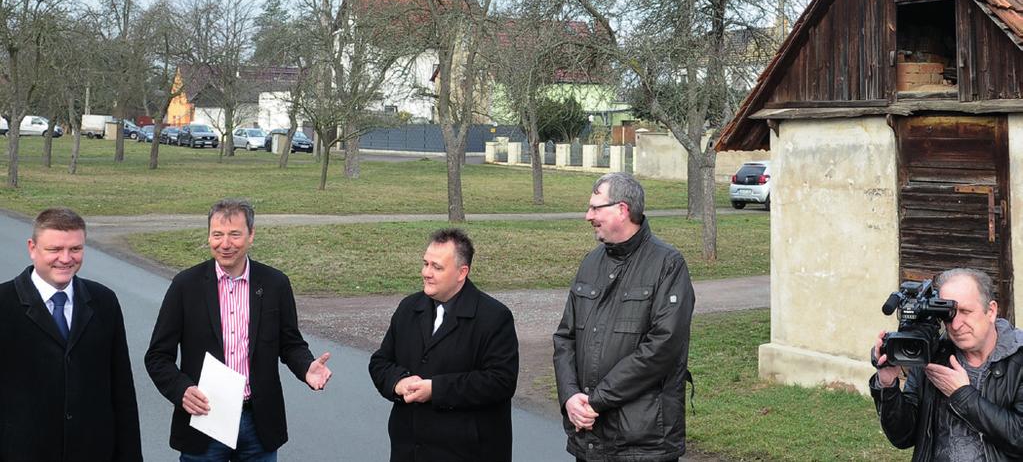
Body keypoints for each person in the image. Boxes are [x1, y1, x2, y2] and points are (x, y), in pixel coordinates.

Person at [145, 198, 332, 461]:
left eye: (235, 234)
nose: (225, 244)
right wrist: (182, 391)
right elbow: (157, 357)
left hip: (258, 423)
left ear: (251, 235)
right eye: (217, 235)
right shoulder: (185, 286)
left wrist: (306, 367)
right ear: (209, 236)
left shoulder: (275, 284)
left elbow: (290, 343)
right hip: (204, 421)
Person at [553, 172, 696, 462]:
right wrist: (570, 397)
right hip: (590, 437)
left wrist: (597, 400)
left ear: (622, 209)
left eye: (596, 207)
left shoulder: (668, 264)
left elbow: (662, 348)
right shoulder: (591, 262)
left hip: (642, 442)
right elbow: (565, 337)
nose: (587, 216)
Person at [0, 207, 142, 462]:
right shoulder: (3, 304)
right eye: (54, 249)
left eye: (75, 249)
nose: (65, 259)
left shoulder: (104, 302)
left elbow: (121, 391)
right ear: (32, 248)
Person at [368, 228, 519, 462]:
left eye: (437, 267)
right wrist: (398, 382)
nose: (426, 273)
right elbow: (380, 362)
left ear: (462, 272)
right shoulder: (409, 308)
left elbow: (500, 382)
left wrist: (436, 390)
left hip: (467, 452)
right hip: (410, 451)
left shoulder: (494, 317)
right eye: (425, 264)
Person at [871, 267, 1023, 461]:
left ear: (991, 310)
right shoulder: (931, 354)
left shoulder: (1018, 357)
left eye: (966, 312)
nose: (957, 325)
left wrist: (962, 395)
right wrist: (887, 386)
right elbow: (903, 437)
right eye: (949, 314)